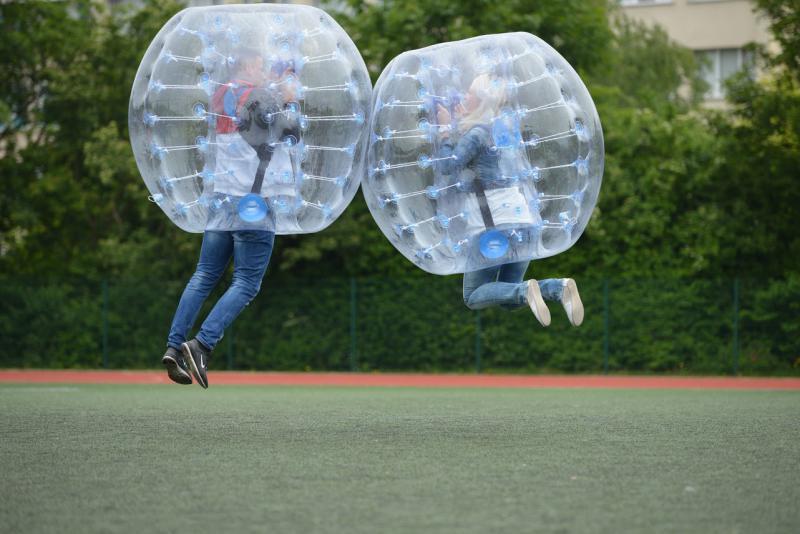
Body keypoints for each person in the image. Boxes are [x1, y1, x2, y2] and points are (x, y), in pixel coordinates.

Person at [161, 53, 299, 388]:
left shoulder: (220, 94)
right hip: (254, 201)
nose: (267, 70)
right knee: (247, 284)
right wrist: (288, 98)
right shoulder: (261, 97)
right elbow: (290, 133)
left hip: (221, 198)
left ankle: (172, 345)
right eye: (261, 63)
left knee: (205, 274)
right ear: (247, 64)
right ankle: (202, 344)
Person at [435, 74, 584, 327]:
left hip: (493, 229)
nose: (463, 97)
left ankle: (530, 290)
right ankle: (558, 288)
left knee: (473, 296)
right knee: (510, 295)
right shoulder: (504, 132)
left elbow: (450, 166)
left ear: (480, 100)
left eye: (469, 93)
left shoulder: (477, 134)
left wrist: (444, 131)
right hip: (524, 224)